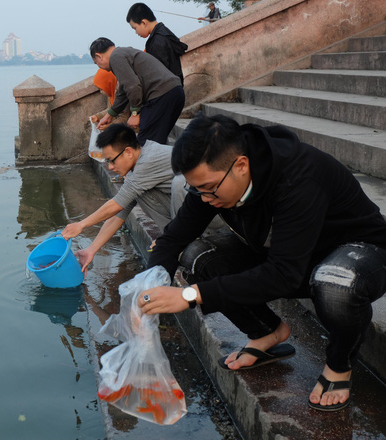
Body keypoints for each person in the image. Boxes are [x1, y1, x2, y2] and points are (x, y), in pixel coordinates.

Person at [139, 113, 386, 412]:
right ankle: (267, 332)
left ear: (240, 165)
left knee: (335, 283)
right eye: (197, 189)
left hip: (359, 253)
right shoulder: (214, 182)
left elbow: (282, 275)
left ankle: (339, 364)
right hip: (292, 254)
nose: (204, 198)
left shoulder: (299, 175)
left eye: (209, 188)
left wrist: (190, 295)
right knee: (196, 255)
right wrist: (147, 286)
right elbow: (173, 239)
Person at [61, 123, 174, 275]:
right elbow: (119, 214)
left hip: (204, 216)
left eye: (112, 160)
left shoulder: (148, 162)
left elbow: (117, 205)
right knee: (135, 195)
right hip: (186, 213)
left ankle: (176, 237)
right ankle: (173, 234)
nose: (110, 167)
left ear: (128, 152)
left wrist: (81, 224)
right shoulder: (137, 169)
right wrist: (91, 250)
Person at [90, 37, 184, 146]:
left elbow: (133, 86)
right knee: (156, 142)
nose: (99, 66)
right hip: (175, 92)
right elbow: (124, 91)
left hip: (161, 95)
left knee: (146, 143)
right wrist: (109, 115)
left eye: (96, 63)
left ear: (98, 56)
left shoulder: (115, 58)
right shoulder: (123, 53)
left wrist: (135, 113)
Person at [126, 2, 188, 84]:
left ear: (144, 23)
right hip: (176, 84)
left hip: (168, 89)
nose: (136, 32)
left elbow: (159, 73)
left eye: (135, 28)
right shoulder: (164, 32)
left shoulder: (157, 41)